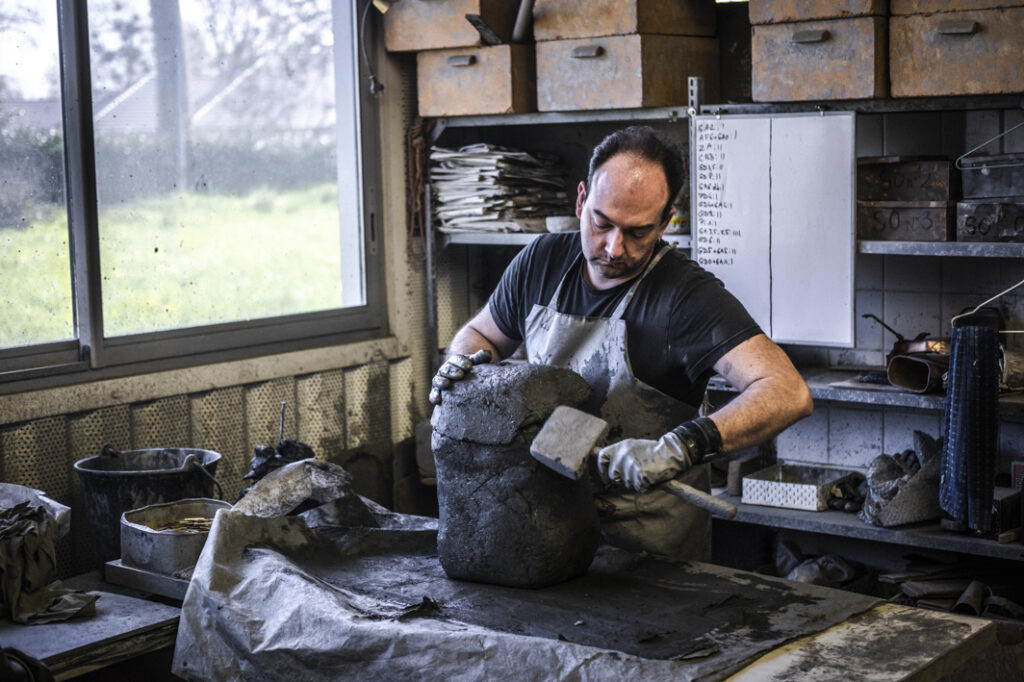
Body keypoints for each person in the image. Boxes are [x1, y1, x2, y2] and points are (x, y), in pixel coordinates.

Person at [429, 125, 813, 559]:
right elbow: (481, 334)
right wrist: (463, 363)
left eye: (637, 232)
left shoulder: (686, 297)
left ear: (667, 220)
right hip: (548, 528)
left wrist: (682, 447)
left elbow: (787, 391)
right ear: (580, 201)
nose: (614, 247)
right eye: (602, 223)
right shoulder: (540, 262)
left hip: (649, 554)